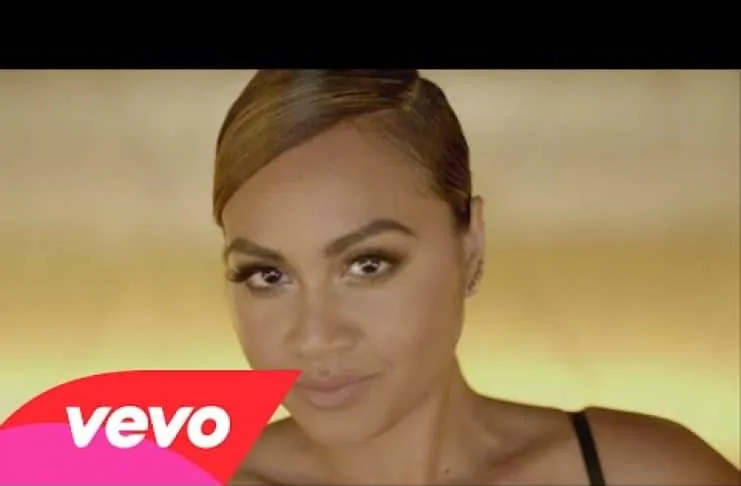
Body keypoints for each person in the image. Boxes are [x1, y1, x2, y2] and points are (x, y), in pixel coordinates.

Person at [212, 70, 739, 485]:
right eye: (268, 275)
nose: (315, 336)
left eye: (367, 265)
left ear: (471, 246)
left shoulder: (649, 474)